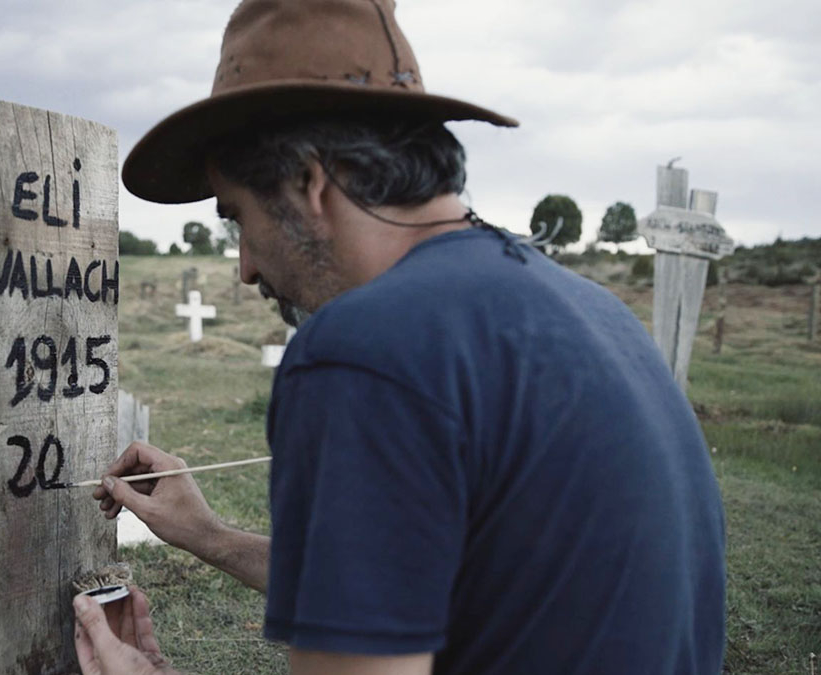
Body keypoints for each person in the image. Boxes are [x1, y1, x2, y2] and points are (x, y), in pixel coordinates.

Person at [73, 0, 726, 673]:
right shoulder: (595, 313)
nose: (245, 268)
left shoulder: (363, 351)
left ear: (309, 182)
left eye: (240, 218)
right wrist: (211, 537)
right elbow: (419, 585)